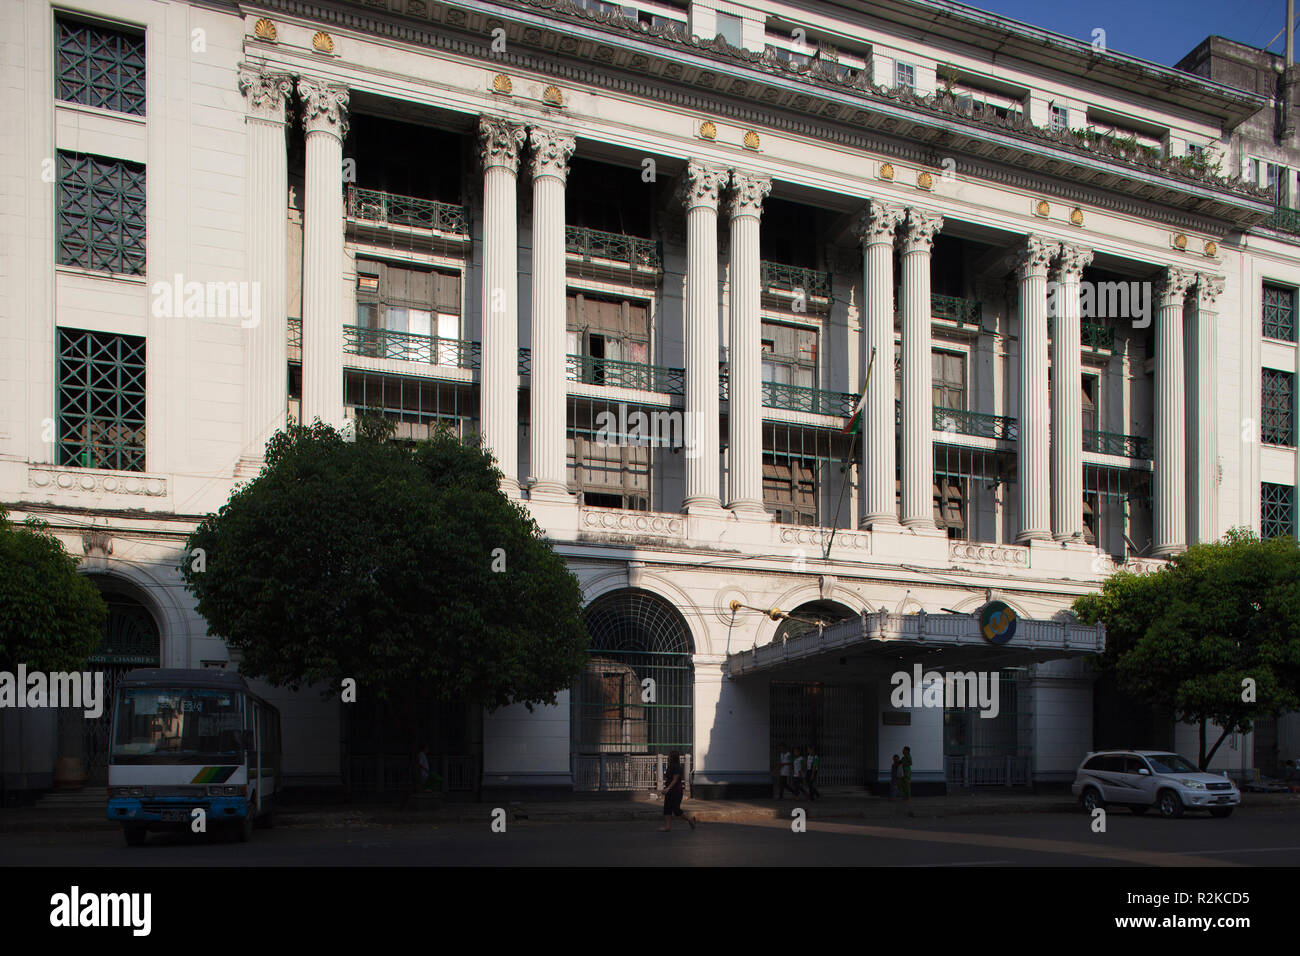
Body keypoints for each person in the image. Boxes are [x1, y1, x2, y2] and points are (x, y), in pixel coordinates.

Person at [660, 751, 696, 831]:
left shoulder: (676, 767)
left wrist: (667, 788)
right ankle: (668, 827)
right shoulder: (670, 766)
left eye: (669, 756)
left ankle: (690, 820)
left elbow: (675, 780)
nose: (668, 757)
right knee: (667, 808)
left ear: (672, 757)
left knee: (676, 809)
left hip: (676, 790)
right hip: (670, 790)